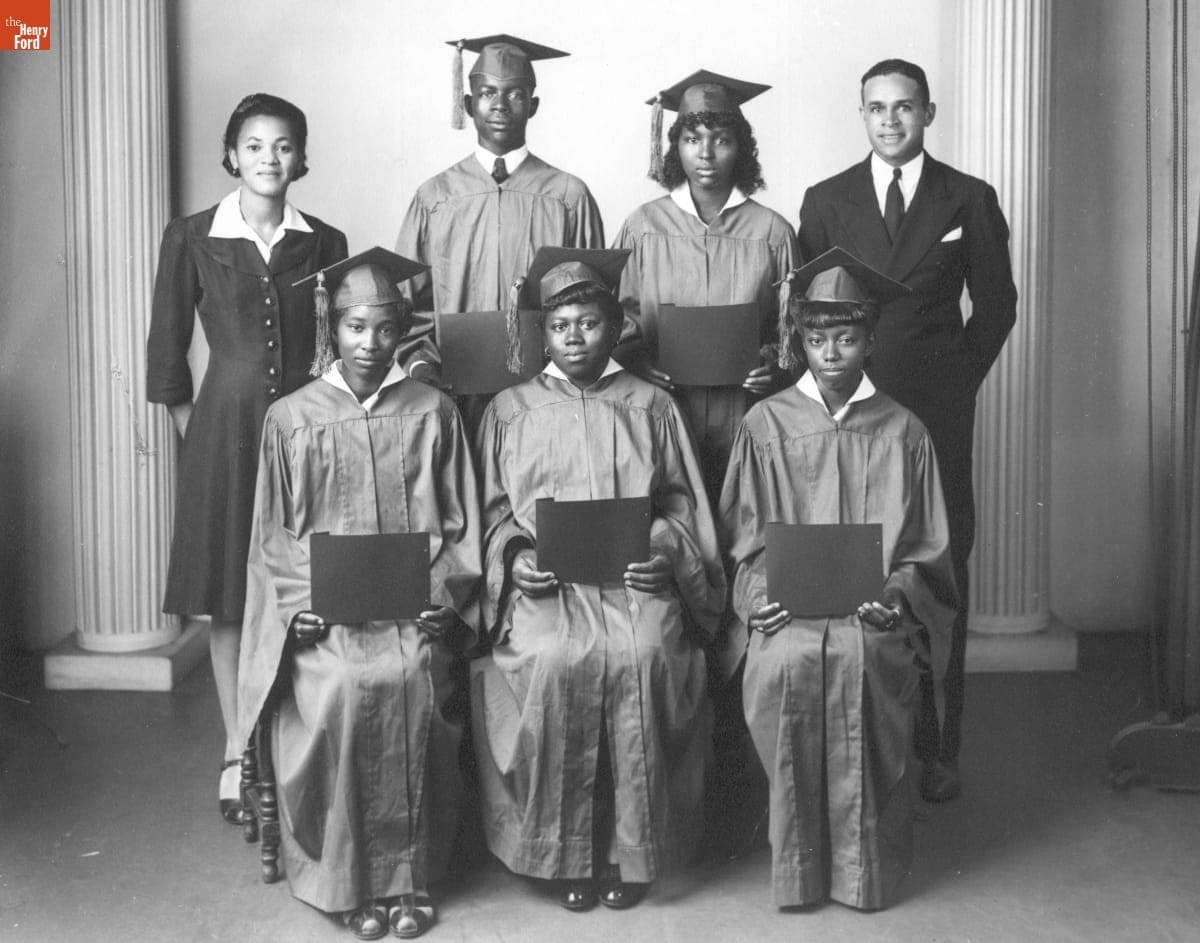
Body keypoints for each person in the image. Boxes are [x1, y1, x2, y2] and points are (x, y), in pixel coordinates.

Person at [236, 248, 482, 940]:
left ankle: (408, 878)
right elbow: (272, 537)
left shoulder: (434, 411)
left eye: (384, 329)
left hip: (412, 614)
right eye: (355, 327)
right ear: (332, 328)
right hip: (329, 620)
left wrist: (444, 595)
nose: (370, 344)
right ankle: (346, 880)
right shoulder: (291, 418)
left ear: (402, 331)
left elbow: (462, 524)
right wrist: (297, 607)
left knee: (412, 678)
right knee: (344, 684)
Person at [471, 248, 725, 913]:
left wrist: (664, 551)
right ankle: (564, 851)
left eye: (589, 323)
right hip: (549, 589)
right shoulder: (509, 409)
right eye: (560, 327)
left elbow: (682, 504)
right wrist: (514, 559)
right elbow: (492, 514)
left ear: (614, 327)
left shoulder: (652, 404)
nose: (575, 338)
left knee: (645, 654)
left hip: (635, 582)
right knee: (554, 659)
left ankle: (632, 849)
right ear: (542, 333)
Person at [797, 59, 1017, 802]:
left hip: (933, 413)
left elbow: (997, 306)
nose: (890, 120)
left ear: (928, 113)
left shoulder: (968, 197)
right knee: (856, 560)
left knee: (936, 570)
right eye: (877, 108)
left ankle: (937, 747)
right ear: (861, 114)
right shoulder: (825, 200)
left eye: (904, 107)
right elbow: (808, 314)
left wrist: (955, 381)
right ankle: (854, 743)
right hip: (850, 411)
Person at [719, 248, 958, 911]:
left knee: (863, 659)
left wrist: (896, 597)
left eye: (847, 338)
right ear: (799, 340)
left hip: (870, 613)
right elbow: (744, 538)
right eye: (817, 338)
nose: (830, 353)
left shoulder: (904, 430)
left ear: (870, 340)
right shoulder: (764, 424)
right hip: (787, 612)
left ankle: (861, 871)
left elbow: (926, 548)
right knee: (786, 661)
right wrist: (758, 598)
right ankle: (798, 870)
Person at [145, 92, 347, 825]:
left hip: (306, 437)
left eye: (284, 145)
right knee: (230, 595)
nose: (269, 158)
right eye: (255, 145)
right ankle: (237, 750)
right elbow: (166, 348)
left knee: (304, 588)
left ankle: (295, 739)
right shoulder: (192, 236)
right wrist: (194, 430)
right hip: (223, 437)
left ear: (301, 157)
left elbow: (339, 344)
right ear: (232, 155)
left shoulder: (325, 240)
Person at [614, 70, 798, 507]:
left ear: (741, 148)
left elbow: (793, 327)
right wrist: (637, 361)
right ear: (675, 146)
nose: (706, 153)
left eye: (722, 140)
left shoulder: (772, 232)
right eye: (692, 139)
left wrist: (773, 365)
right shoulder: (643, 226)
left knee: (744, 519)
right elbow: (615, 315)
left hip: (746, 412)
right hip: (663, 408)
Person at [394, 34, 605, 394]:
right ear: (467, 103)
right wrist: (420, 364)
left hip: (548, 390)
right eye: (487, 93)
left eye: (515, 94)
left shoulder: (569, 196)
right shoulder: (435, 197)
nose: (500, 105)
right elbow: (405, 303)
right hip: (451, 387)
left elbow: (596, 300)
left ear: (533, 106)